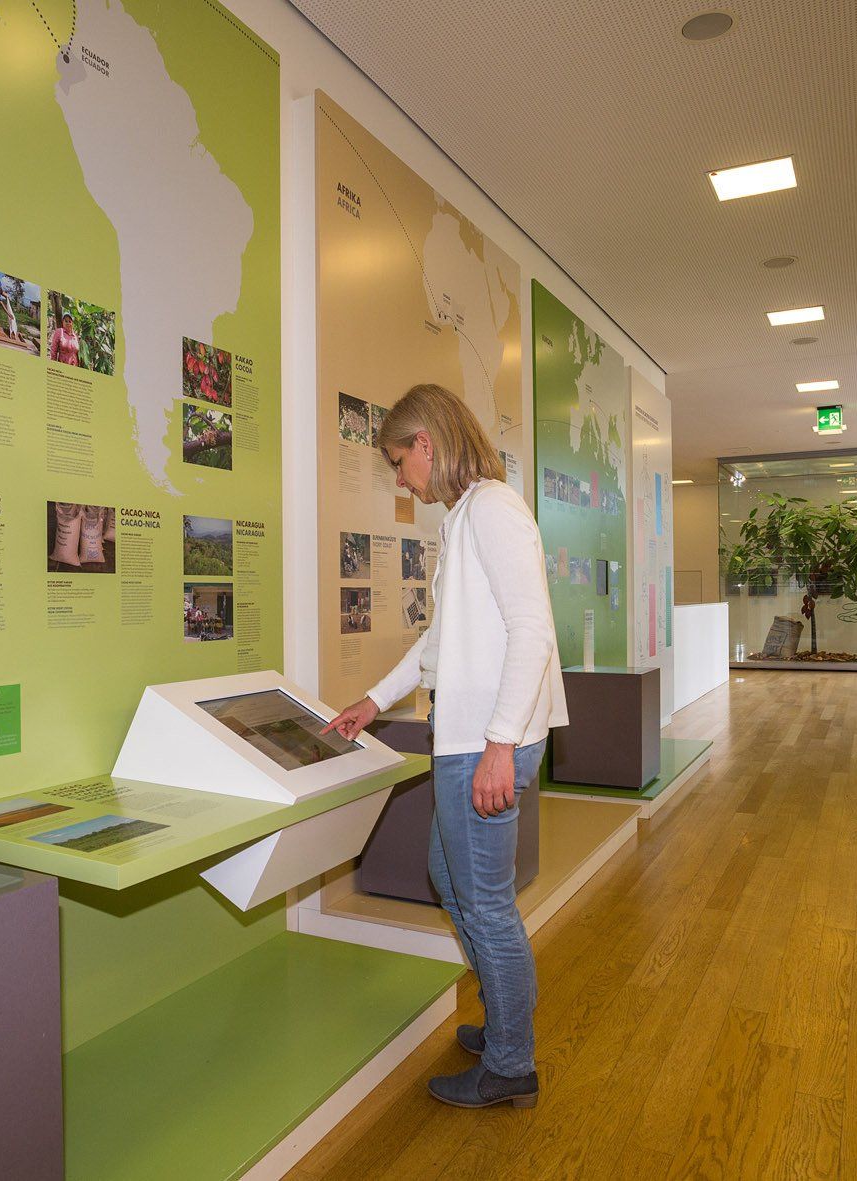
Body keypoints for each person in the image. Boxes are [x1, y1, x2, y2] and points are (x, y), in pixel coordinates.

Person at [324, 382, 566, 1111]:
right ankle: (505, 1022)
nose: (400, 477)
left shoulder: (492, 509)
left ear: (426, 443)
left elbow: (533, 629)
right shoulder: (467, 516)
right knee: (448, 872)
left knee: (486, 903)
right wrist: (375, 699)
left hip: (488, 738)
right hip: (471, 734)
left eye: (401, 460)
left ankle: (511, 1060)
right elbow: (441, 639)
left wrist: (498, 744)